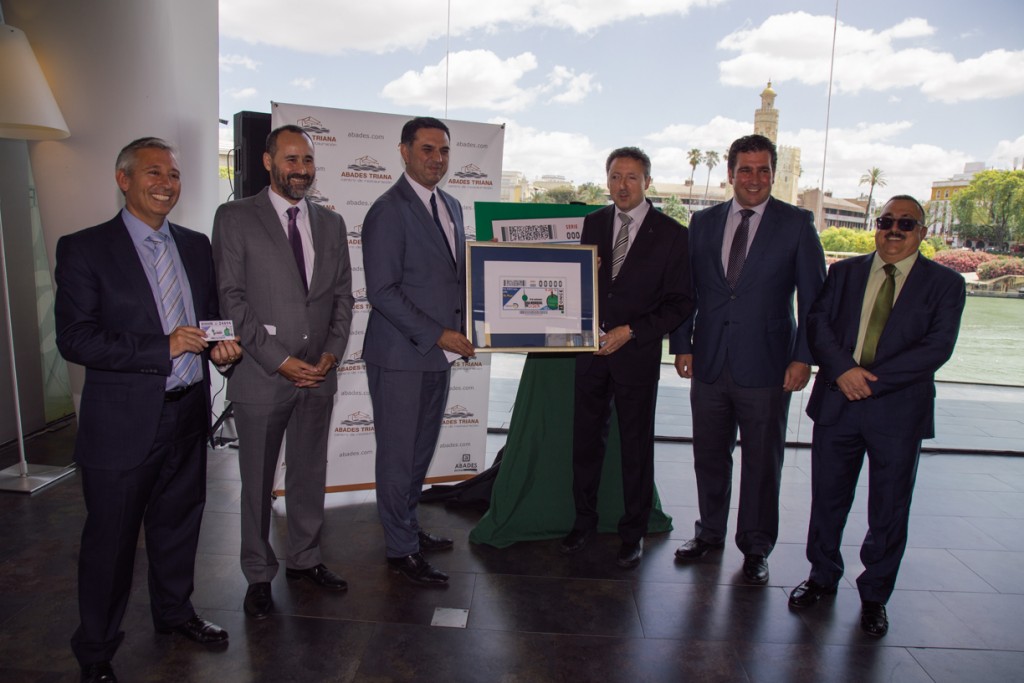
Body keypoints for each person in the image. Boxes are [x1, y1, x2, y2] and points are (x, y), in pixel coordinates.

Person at [55, 137, 240, 683]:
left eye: (174, 175)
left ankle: (175, 614)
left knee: (179, 527)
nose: (166, 183)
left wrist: (221, 351)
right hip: (122, 425)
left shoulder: (194, 244)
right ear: (124, 179)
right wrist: (163, 348)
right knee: (110, 544)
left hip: (187, 413)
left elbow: (206, 321)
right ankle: (95, 651)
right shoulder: (86, 248)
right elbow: (76, 339)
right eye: (153, 172)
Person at [788, 195, 966, 637]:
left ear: (922, 232)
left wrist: (868, 381)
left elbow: (936, 349)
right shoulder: (844, 272)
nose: (894, 229)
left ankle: (874, 596)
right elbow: (818, 323)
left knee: (888, 508)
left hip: (898, 412)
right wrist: (844, 370)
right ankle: (822, 576)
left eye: (906, 223)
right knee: (828, 499)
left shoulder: (946, 284)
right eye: (886, 220)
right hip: (837, 404)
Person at [669, 134, 826, 584]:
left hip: (770, 368)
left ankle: (756, 547)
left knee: (762, 462)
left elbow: (814, 300)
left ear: (773, 174)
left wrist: (804, 359)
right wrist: (682, 343)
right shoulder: (702, 223)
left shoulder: (797, 224)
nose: (754, 179)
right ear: (730, 173)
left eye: (763, 170)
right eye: (745, 170)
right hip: (710, 362)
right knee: (709, 456)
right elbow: (687, 291)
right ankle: (709, 533)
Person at [212, 125, 354, 619]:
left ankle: (305, 557)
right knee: (256, 481)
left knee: (310, 472)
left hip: (318, 373)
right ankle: (257, 572)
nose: (302, 170)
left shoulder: (331, 224)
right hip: (263, 374)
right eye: (291, 160)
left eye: (309, 161)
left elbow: (342, 298)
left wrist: (331, 355)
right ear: (269, 161)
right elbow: (231, 298)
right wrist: (280, 360)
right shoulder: (234, 217)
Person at [560, 147, 693, 568]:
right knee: (585, 442)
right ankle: (583, 522)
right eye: (616, 176)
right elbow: (576, 284)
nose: (622, 185)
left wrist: (630, 331)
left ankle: (632, 532)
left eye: (631, 177)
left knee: (636, 447)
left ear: (647, 182)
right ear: (607, 180)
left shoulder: (672, 233)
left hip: (635, 353)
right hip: (590, 354)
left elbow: (679, 302)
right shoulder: (593, 223)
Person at [361, 116, 474, 586]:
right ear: (404, 152)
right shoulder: (389, 209)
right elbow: (382, 291)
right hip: (401, 355)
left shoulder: (451, 205)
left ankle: (407, 526)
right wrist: (439, 334)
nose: (437, 159)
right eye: (427, 149)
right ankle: (400, 549)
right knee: (397, 454)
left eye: (444, 150)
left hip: (437, 355)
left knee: (420, 450)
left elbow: (456, 277)